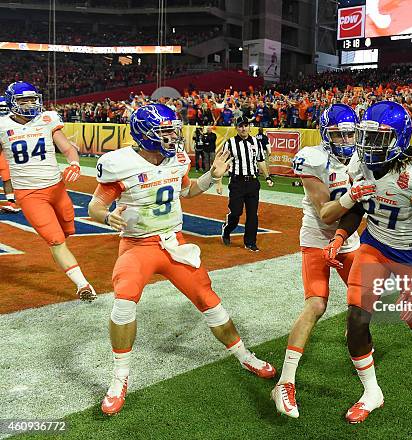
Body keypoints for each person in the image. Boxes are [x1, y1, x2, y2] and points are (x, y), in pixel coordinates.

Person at [88, 104, 276, 416]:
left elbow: (186, 191)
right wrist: (107, 217)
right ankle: (119, 377)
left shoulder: (177, 158)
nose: (172, 135)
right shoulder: (120, 163)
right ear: (144, 134)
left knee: (209, 300)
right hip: (137, 245)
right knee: (123, 302)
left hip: (174, 242)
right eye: (164, 130)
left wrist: (210, 177)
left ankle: (244, 355)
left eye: (172, 129)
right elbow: (95, 206)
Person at [323, 101, 412, 424]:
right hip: (374, 246)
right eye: (366, 136)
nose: (368, 146)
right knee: (355, 318)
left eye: (379, 139)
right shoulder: (359, 163)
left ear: (399, 139)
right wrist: (340, 236)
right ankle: (371, 392)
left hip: (409, 254)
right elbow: (358, 207)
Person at [271, 104, 375, 418]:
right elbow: (326, 213)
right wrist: (357, 192)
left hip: (349, 240)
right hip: (317, 238)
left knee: (366, 299)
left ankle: (353, 334)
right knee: (316, 304)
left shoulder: (362, 157)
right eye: (337, 133)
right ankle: (285, 381)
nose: (344, 139)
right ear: (324, 134)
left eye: (349, 133)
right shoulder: (313, 158)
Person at [0, 81, 96, 301]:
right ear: (12, 102)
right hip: (30, 194)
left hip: (57, 188)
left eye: (32, 99)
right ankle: (82, 285)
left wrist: (74, 163)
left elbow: (67, 147)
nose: (30, 104)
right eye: (24, 100)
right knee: (55, 240)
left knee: (68, 231)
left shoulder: (48, 118)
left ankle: (66, 257)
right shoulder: (2, 125)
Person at [220, 116, 274, 252]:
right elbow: (221, 163)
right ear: (236, 128)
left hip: (252, 182)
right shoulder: (230, 143)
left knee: (252, 214)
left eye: (245, 125)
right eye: (240, 126)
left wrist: (267, 176)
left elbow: (261, 160)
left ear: (249, 127)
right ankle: (227, 229)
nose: (243, 128)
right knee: (236, 212)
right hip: (237, 182)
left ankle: (250, 242)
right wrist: (218, 182)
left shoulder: (256, 142)